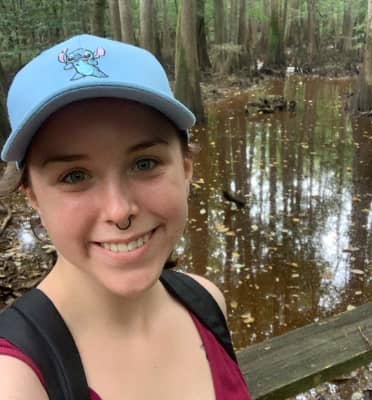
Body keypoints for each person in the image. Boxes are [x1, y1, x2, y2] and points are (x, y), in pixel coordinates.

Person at [0, 34, 251, 400]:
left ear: (185, 169)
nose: (119, 212)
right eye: (74, 176)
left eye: (144, 164)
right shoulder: (17, 380)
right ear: (33, 196)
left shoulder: (206, 303)